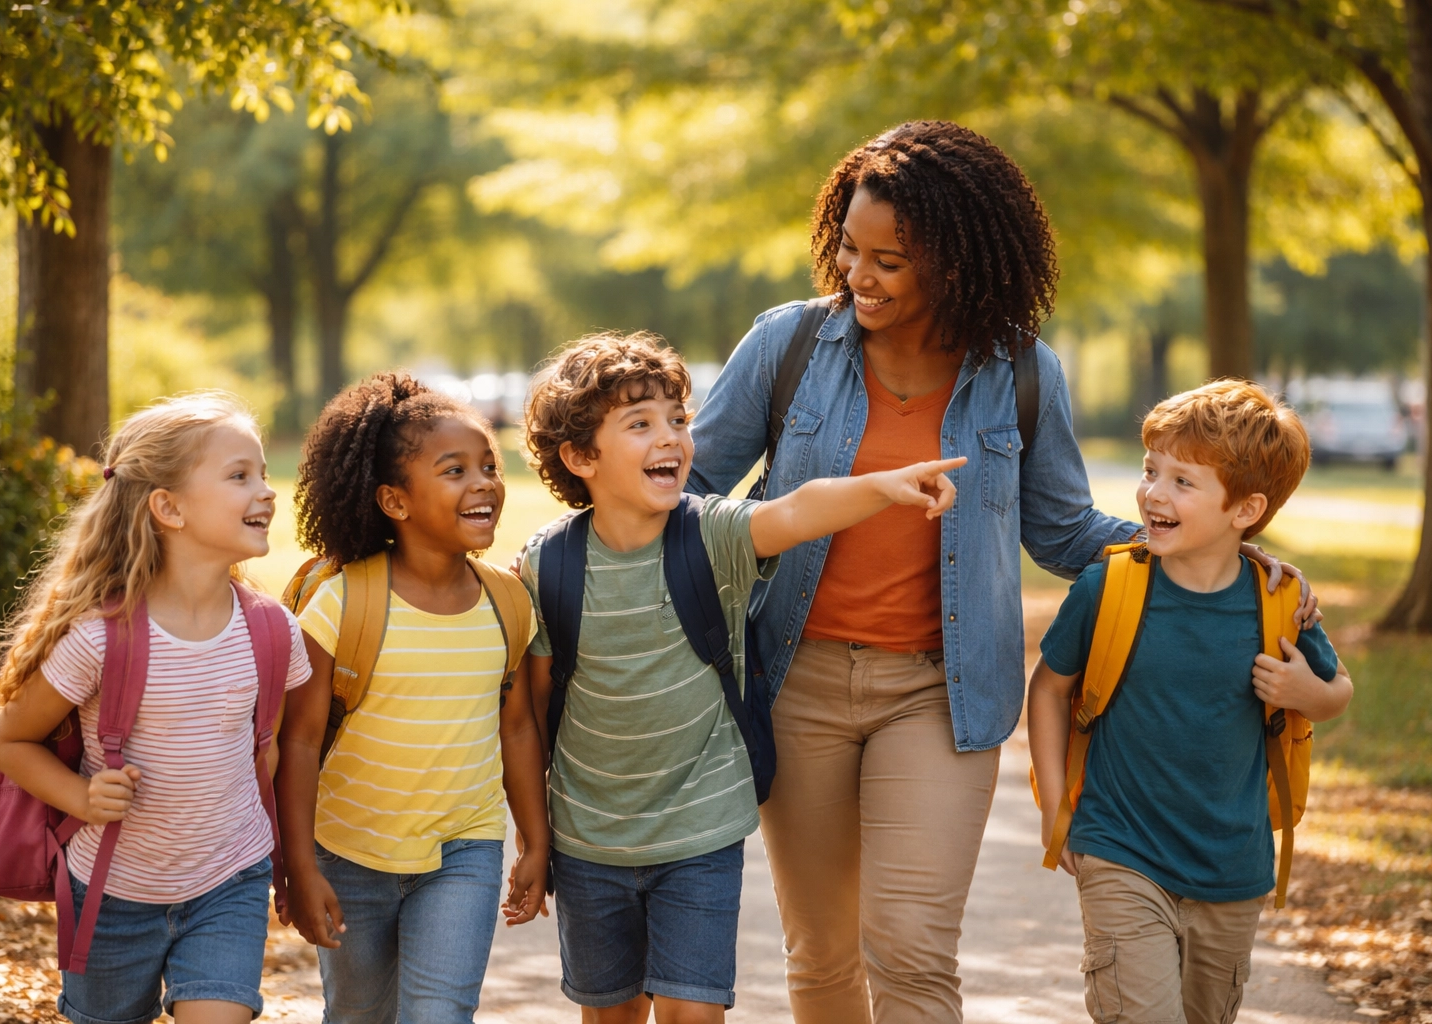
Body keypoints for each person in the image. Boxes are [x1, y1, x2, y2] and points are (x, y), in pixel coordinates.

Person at [685, 120, 1318, 1023]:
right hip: (796, 681)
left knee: (910, 945)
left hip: (939, 694)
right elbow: (691, 494)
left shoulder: (1019, 371)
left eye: (889, 260)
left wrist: (1219, 550)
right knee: (822, 952)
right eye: (849, 247)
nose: (858, 275)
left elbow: (1062, 530)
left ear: (956, 263)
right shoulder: (788, 346)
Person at [513, 332, 966, 1024]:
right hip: (590, 839)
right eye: (640, 424)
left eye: (677, 419)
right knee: (612, 1014)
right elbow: (531, 715)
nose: (671, 437)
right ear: (580, 457)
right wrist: (535, 840)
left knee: (693, 1013)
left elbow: (797, 510)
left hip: (702, 830)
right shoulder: (549, 564)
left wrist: (882, 487)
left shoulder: (712, 534)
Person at [0, 392, 313, 1024]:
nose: (267, 491)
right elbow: (8, 741)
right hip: (111, 892)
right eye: (240, 475)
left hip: (230, 882)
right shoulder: (99, 638)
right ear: (169, 507)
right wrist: (81, 798)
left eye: (264, 473)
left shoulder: (273, 632)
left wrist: (271, 852)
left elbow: (267, 750)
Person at [1028, 380, 1352, 1023]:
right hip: (1120, 851)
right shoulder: (1107, 587)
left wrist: (1307, 693)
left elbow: (1337, 691)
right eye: (1151, 471)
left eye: (1182, 481)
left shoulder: (1279, 602)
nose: (1153, 493)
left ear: (1245, 509)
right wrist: (1055, 811)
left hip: (1233, 874)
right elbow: (1049, 688)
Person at [276, 372, 549, 1024]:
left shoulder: (508, 602)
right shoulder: (341, 603)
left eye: (489, 466)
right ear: (395, 501)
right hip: (350, 851)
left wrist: (534, 840)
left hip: (463, 849)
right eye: (455, 470)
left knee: (440, 1013)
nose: (483, 482)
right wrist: (300, 867)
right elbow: (300, 741)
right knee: (359, 1014)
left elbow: (516, 728)